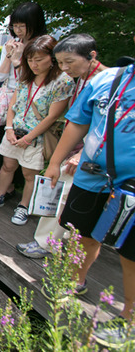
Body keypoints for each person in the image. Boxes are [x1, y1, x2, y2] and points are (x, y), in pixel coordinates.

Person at [44, 61, 135, 348]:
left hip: (131, 186)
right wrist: (56, 161)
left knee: (131, 252)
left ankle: (129, 318)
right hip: (91, 175)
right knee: (82, 233)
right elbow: (78, 124)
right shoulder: (108, 79)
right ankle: (75, 282)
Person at [17, 34, 110, 258]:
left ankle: (49, 243)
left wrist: (82, 154)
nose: (65, 67)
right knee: (61, 191)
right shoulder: (82, 79)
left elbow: (107, 125)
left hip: (92, 155)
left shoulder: (107, 82)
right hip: (76, 150)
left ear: (92, 56)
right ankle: (53, 241)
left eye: (70, 61)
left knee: (63, 191)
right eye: (60, 63)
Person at [0, 35, 74, 225]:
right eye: (30, 59)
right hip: (15, 131)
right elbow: (13, 105)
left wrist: (29, 137)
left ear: (52, 57)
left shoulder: (62, 82)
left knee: (29, 174)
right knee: (7, 166)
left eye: (39, 59)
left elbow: (52, 116)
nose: (34, 64)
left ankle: (24, 206)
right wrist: (8, 129)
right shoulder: (25, 76)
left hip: (36, 137)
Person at [0, 2, 48, 198]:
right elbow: (0, 78)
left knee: (26, 151)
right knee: (4, 143)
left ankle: (15, 188)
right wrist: (9, 56)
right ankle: (2, 183)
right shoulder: (13, 43)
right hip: (8, 101)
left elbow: (31, 81)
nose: (18, 30)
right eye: (15, 26)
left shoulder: (42, 46)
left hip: (31, 104)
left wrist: (20, 60)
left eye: (22, 25)